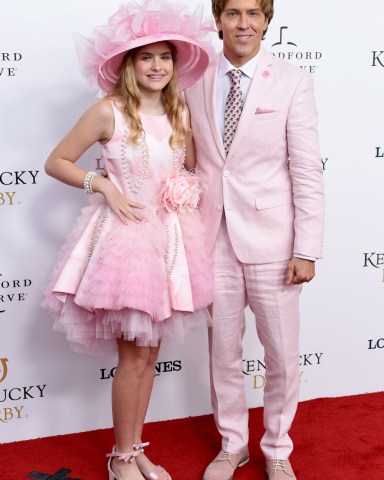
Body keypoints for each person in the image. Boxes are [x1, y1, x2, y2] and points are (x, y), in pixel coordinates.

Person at [42, 2, 214, 479]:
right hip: (126, 244)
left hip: (171, 245)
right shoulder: (108, 111)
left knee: (150, 354)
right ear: (127, 64)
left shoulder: (180, 112)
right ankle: (120, 460)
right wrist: (104, 186)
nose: (156, 65)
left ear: (175, 65)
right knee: (133, 355)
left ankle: (135, 449)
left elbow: (189, 172)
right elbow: (57, 161)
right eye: (146, 57)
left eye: (165, 57)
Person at [184, 0, 324, 479]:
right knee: (222, 350)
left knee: (282, 352)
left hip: (274, 241)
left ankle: (278, 447)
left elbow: (305, 169)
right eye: (233, 13)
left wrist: (306, 248)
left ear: (267, 19)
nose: (243, 23)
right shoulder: (192, 77)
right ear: (218, 18)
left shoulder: (292, 81)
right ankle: (233, 444)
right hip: (211, 237)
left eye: (253, 13)